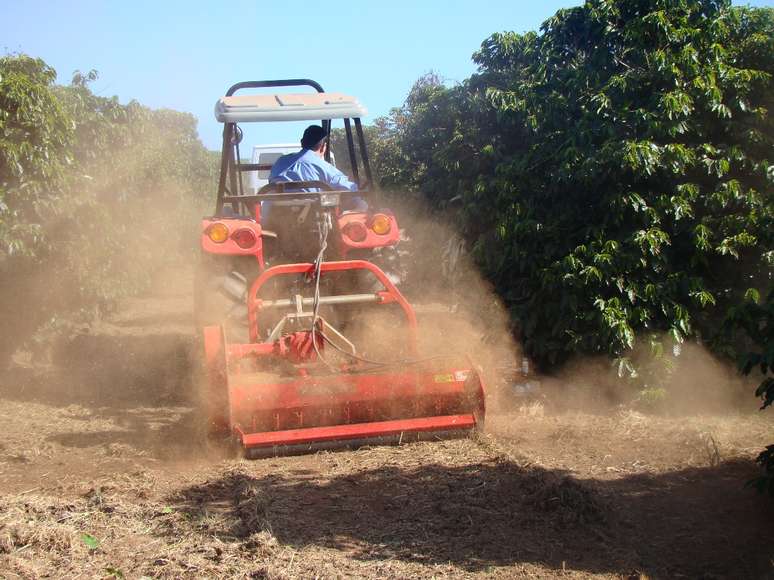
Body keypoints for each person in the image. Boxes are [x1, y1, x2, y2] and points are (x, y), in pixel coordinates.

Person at [265, 125, 367, 218]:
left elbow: (271, 183)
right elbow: (349, 190)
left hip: (275, 221)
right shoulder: (325, 167)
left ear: (302, 143)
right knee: (361, 204)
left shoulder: (280, 162)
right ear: (323, 147)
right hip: (313, 222)